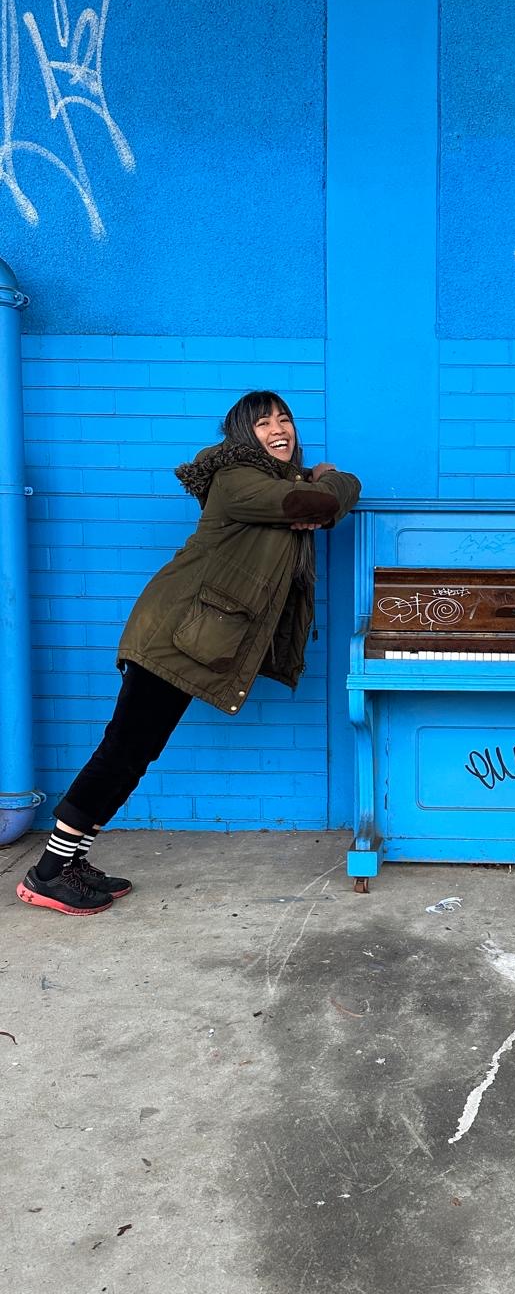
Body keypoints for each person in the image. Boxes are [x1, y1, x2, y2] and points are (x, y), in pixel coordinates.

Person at [17, 391, 361, 915]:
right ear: (244, 438)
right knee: (123, 751)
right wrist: (333, 476)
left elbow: (308, 505)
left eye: (284, 419)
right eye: (263, 422)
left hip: (191, 637)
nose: (279, 428)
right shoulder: (236, 480)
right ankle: (48, 874)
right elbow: (320, 505)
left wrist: (311, 489)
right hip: (172, 634)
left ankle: (68, 863)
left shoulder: (272, 483)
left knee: (134, 753)